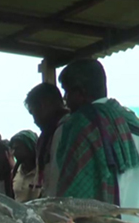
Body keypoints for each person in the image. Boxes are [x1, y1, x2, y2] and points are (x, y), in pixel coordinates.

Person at [48, 59, 139, 211]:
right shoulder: (132, 122)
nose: (65, 99)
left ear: (80, 93)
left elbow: (71, 194)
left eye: (67, 92)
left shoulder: (81, 126)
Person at [24, 82, 69, 195]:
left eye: (33, 112)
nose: (34, 120)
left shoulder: (65, 130)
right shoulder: (49, 134)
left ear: (43, 106)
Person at [10, 130, 41, 202]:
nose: (14, 152)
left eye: (18, 148)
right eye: (13, 149)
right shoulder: (16, 172)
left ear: (29, 147)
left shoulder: (43, 172)